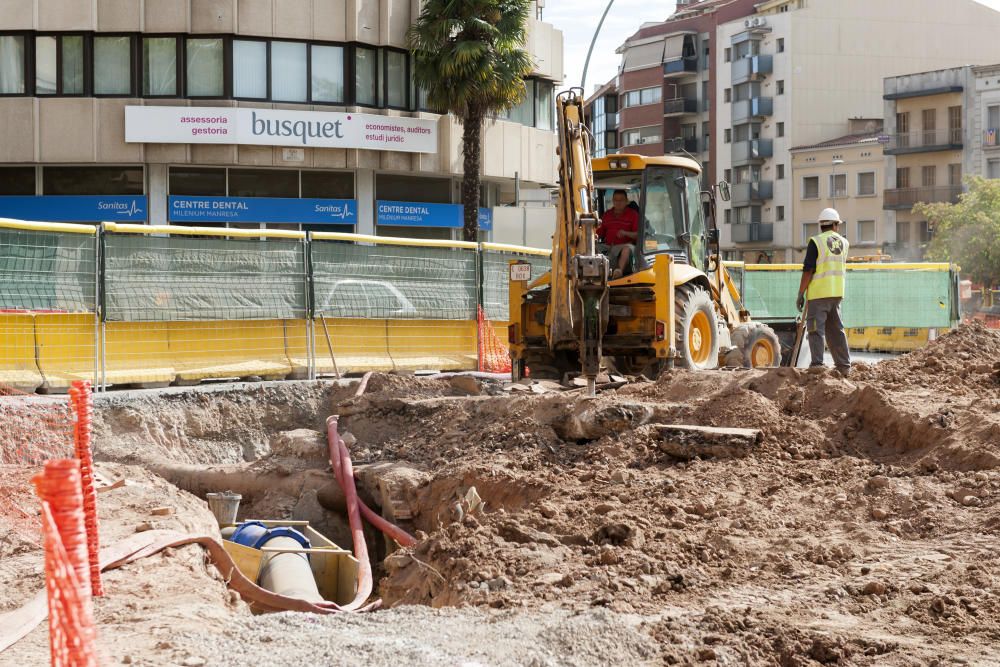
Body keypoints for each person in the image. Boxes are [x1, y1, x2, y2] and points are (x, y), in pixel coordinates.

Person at [797, 208, 852, 375]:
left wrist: (800, 293)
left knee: (815, 330)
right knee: (836, 330)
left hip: (818, 294)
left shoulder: (816, 242)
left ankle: (817, 365)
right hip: (837, 293)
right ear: (835, 225)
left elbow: (808, 270)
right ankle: (843, 366)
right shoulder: (844, 243)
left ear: (821, 225)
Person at [597, 189, 639, 279]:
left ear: (626, 201)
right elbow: (599, 233)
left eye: (621, 200)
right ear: (612, 201)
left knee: (627, 249)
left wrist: (625, 233)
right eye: (616, 200)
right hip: (608, 246)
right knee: (593, 248)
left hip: (625, 245)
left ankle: (619, 271)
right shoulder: (607, 215)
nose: (618, 202)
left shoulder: (633, 215)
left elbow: (638, 235)